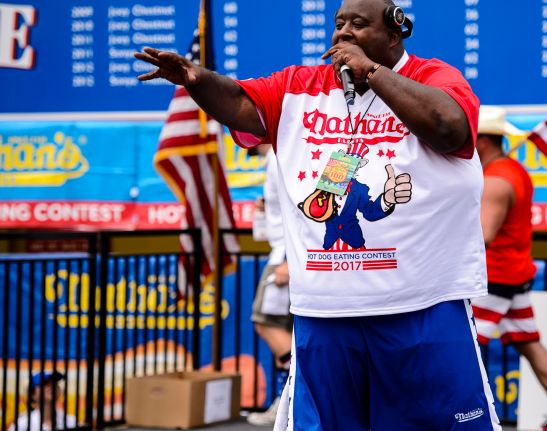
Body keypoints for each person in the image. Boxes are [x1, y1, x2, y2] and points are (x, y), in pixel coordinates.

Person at [135, 0, 499, 429]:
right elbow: (237, 102)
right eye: (339, 23)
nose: (343, 32)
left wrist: (372, 73)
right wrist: (196, 79)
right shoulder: (299, 86)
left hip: (421, 307)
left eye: (359, 24)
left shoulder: (433, 76)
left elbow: (449, 126)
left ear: (395, 33)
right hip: (325, 314)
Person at [471, 106, 547, 431]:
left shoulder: (495, 180)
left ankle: (469, 417)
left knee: (463, 348)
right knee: (529, 343)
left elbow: (484, 236)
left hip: (494, 279)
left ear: (482, 142)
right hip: (514, 274)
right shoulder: (515, 171)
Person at [247, 148, 293, 426]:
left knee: (266, 323)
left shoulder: (279, 155)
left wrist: (290, 259)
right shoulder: (276, 157)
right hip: (284, 253)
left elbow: (300, 205)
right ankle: (284, 400)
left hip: (285, 256)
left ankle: (295, 391)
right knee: (282, 328)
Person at [9, 371, 78, 431]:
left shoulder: (71, 422)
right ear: (32, 394)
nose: (52, 385)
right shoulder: (22, 425)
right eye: (44, 383)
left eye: (54, 382)